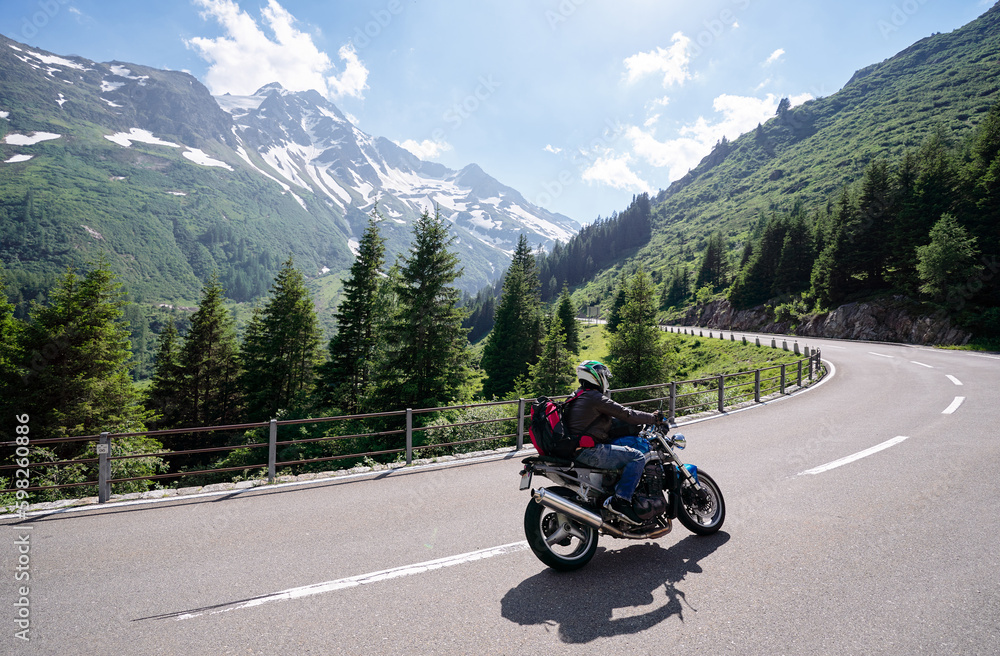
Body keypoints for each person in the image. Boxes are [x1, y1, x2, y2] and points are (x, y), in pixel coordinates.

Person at [563, 360, 665, 524]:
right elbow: (626, 414)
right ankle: (621, 501)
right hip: (589, 451)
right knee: (637, 457)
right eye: (603, 375)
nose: (605, 379)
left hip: (575, 449)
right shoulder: (594, 397)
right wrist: (653, 418)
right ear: (596, 376)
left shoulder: (577, 396)